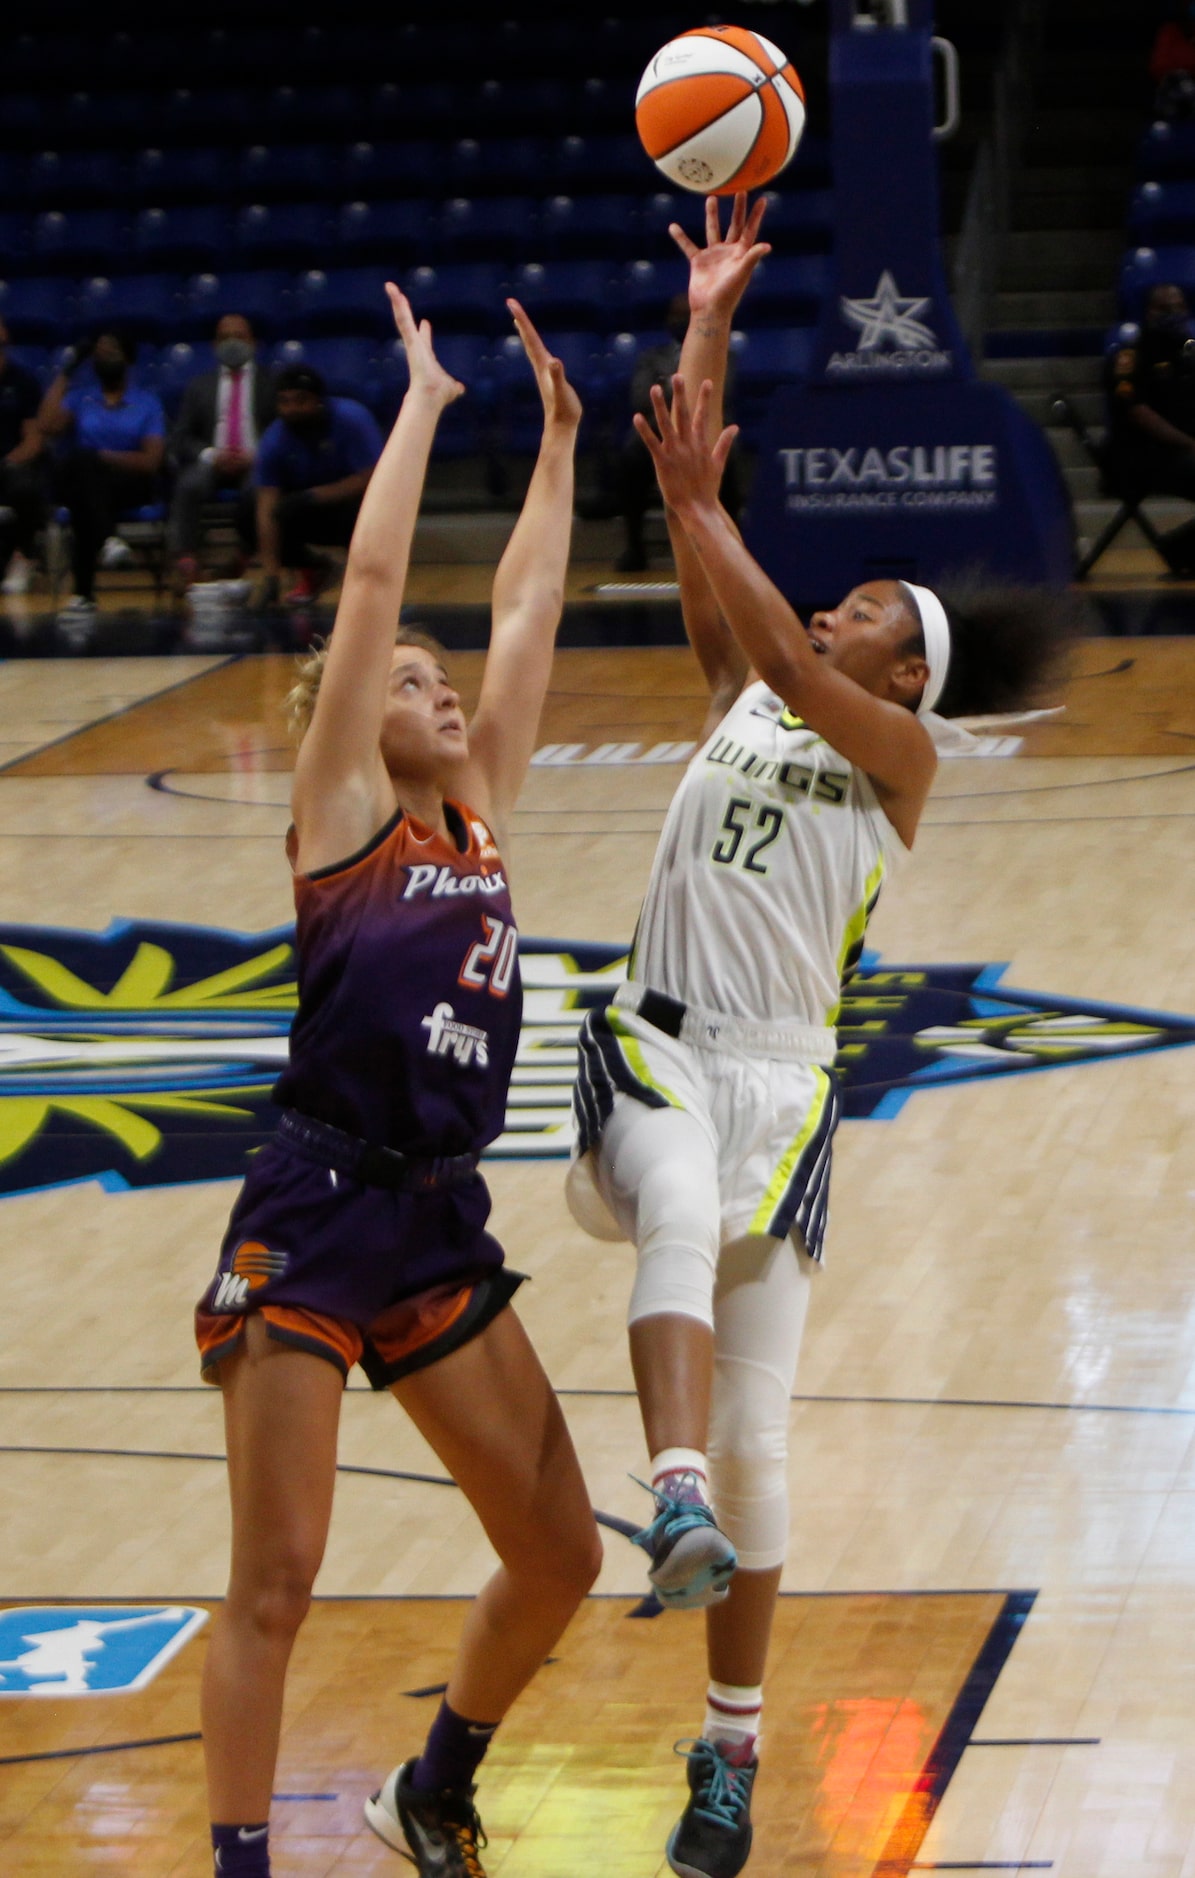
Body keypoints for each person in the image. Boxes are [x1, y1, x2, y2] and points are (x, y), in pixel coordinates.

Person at [567, 195, 1076, 1878]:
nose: (836, 607)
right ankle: (676, 1486)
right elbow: (704, 522)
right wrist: (707, 311)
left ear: (905, 671)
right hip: (659, 1039)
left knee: (773, 1428)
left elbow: (771, 624)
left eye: (869, 604)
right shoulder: (750, 697)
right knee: (670, 1201)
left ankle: (731, 1757)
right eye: (846, 597)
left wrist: (707, 508)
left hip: (783, 1078)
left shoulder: (895, 760)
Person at [194, 283, 600, 1878]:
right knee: (278, 1579)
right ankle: (239, 1862)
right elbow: (375, 578)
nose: (438, 689)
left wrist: (560, 444)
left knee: (560, 1549)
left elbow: (530, 610)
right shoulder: (342, 809)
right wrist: (425, 404)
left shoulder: (480, 807)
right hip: (311, 1204)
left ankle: (431, 1783)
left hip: (434, 1222)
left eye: (442, 684)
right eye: (409, 679)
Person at [37, 330, 166, 635]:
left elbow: (150, 462)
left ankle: (83, 593)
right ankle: (108, 541)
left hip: (132, 483)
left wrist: (102, 457)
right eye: (100, 353)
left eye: (112, 352)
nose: (105, 358)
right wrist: (67, 371)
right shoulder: (82, 396)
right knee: (83, 480)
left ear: (128, 359)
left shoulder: (147, 403)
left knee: (83, 473)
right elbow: (46, 426)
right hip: (90, 485)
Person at [615, 291, 740, 574]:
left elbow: (722, 393)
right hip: (660, 432)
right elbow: (640, 397)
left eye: (689, 314)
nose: (683, 320)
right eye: (678, 315)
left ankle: (734, 547)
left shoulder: (722, 352)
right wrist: (686, 390)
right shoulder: (650, 357)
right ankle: (634, 548)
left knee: (725, 452)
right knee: (631, 456)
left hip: (706, 431)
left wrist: (670, 387)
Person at [253, 361, 383, 607]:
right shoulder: (274, 438)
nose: (291, 409)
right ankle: (314, 567)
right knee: (251, 511)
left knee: (367, 510)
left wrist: (315, 496)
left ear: (318, 400)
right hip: (306, 506)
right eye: (284, 401)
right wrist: (271, 575)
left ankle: (370, 580)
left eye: (300, 401)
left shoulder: (352, 419)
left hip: (353, 502)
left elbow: (373, 476)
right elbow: (265, 502)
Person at [167, 313, 279, 590]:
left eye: (239, 336)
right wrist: (210, 455)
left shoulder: (272, 382)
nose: (232, 343)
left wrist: (258, 455)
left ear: (253, 342)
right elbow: (181, 437)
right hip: (212, 460)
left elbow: (282, 430)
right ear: (215, 344)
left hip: (256, 461)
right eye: (225, 337)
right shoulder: (199, 385)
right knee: (189, 484)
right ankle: (187, 559)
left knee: (259, 491)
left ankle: (241, 555)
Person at [1105, 281, 1195, 573]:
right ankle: (1179, 552)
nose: (1173, 313)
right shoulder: (1131, 357)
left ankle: (1179, 550)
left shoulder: (1186, 357)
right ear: (1148, 312)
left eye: (1179, 306)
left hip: (1179, 454)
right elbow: (1138, 413)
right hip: (1142, 457)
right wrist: (1188, 443)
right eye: (1164, 308)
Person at [0, 317, 48, 595]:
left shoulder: (24, 382)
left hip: (13, 464)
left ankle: (23, 556)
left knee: (24, 486)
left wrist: (7, 462)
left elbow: (34, 439)